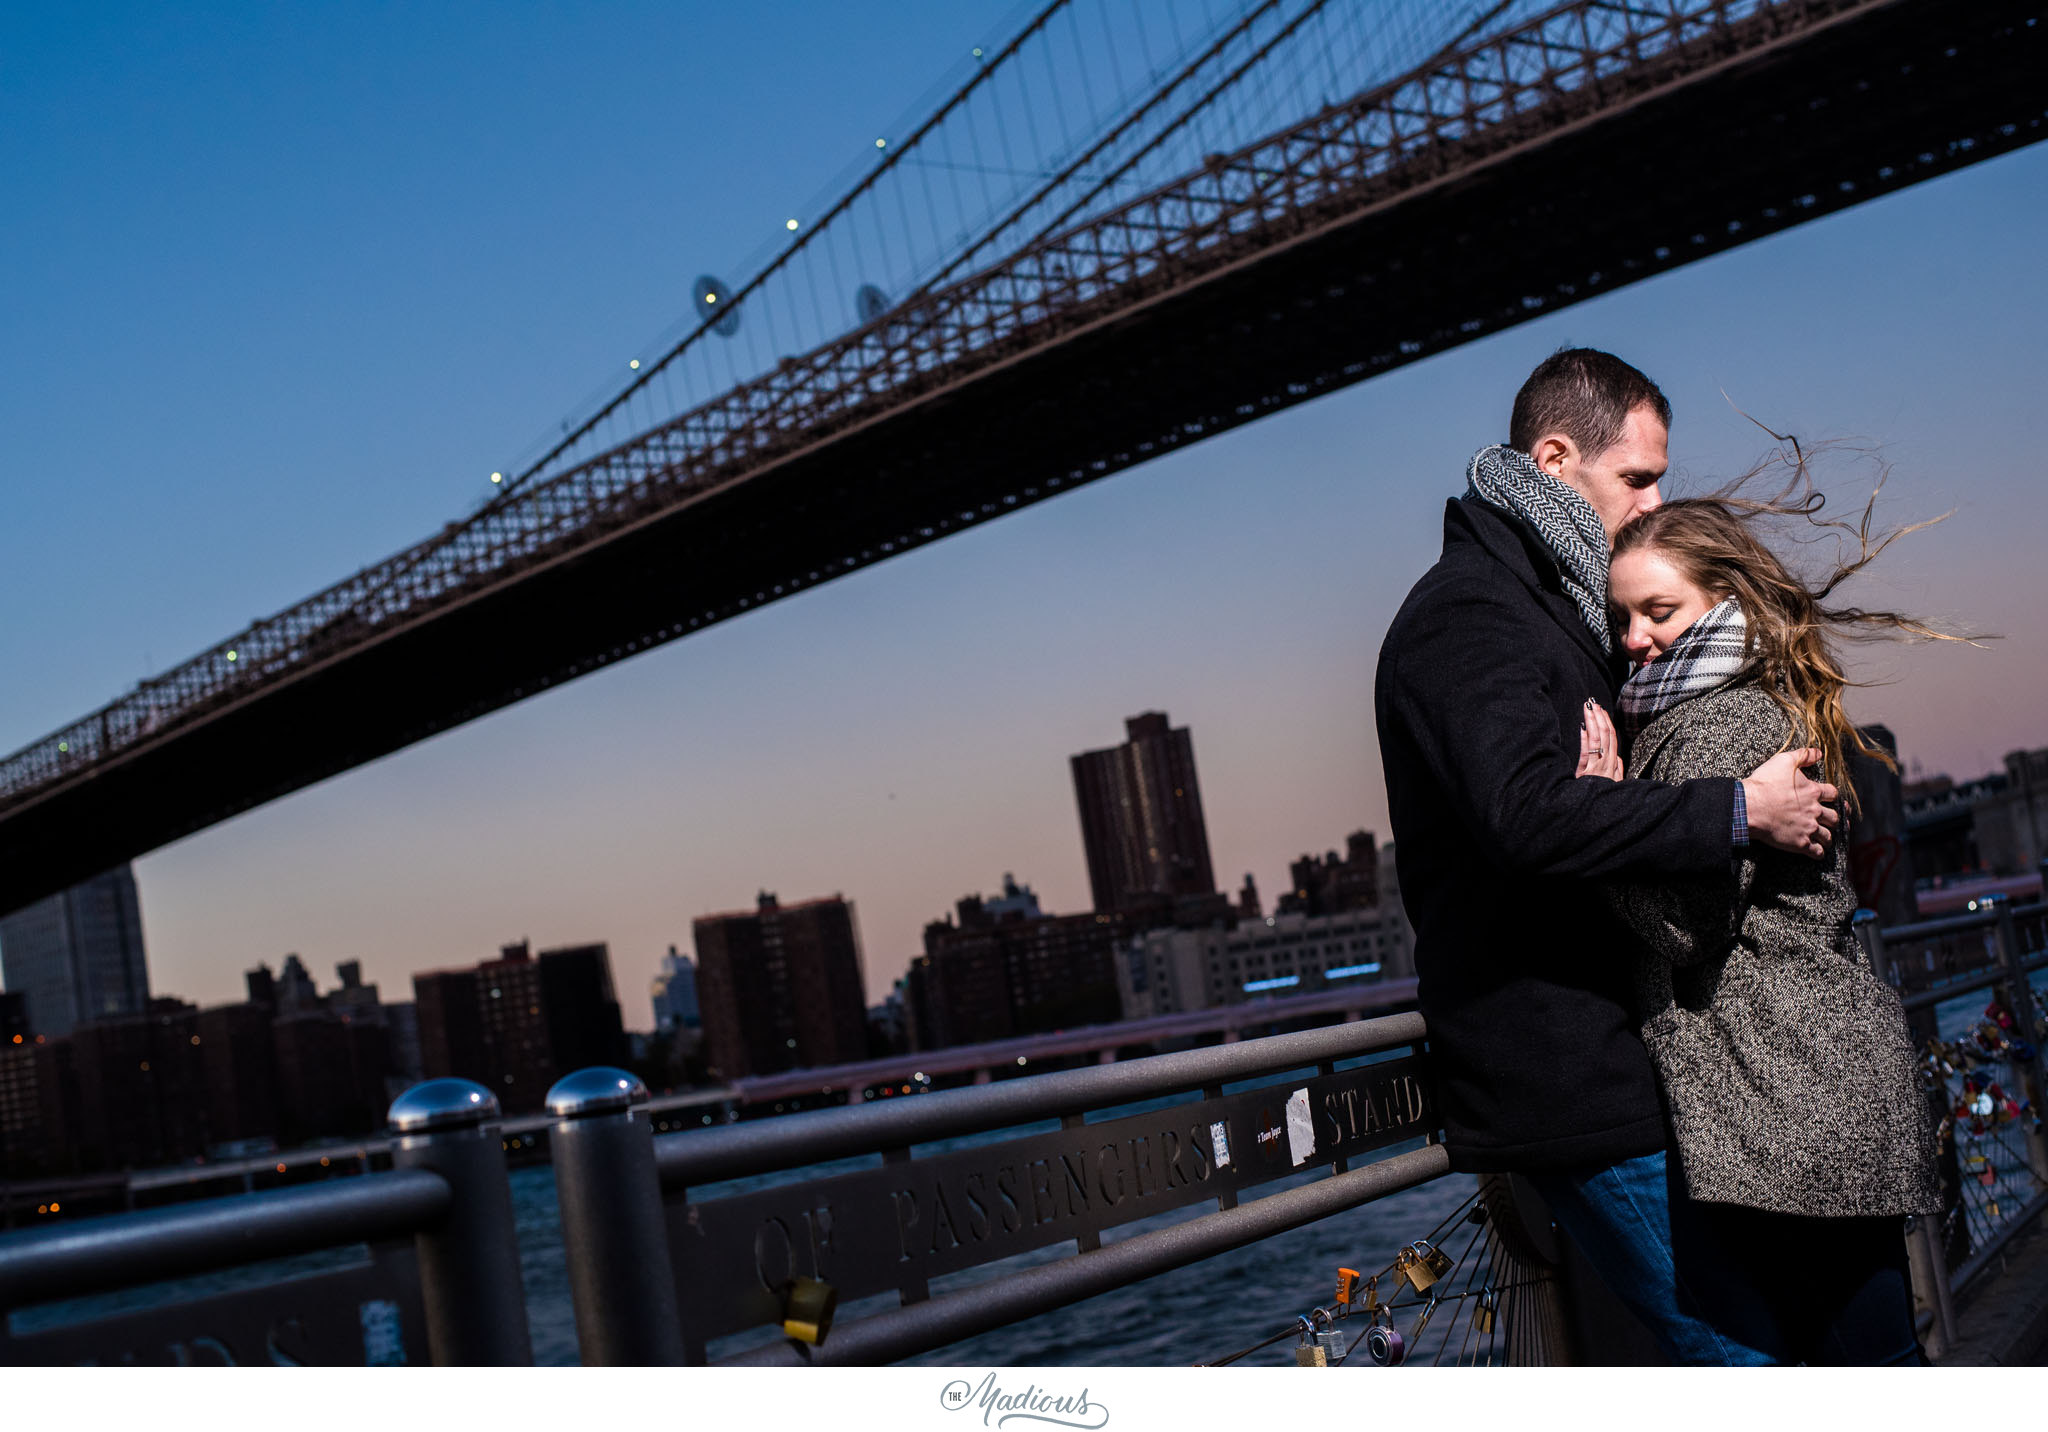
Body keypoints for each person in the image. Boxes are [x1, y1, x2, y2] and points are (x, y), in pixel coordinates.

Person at [1373, 348, 1840, 1364]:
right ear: (1551, 459)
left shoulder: (1566, 606)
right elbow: (1526, 815)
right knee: (1740, 1360)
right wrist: (1736, 809)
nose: (1654, 499)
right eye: (1635, 476)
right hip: (1568, 1074)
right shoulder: (1468, 616)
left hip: (1639, 1055)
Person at [1570, 484, 1946, 1364]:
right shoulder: (1742, 700)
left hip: (1786, 1094)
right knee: (1870, 1354)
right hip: (1810, 1084)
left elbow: (1685, 927)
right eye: (1622, 617)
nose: (1635, 640)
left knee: (1860, 1362)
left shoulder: (1715, 723)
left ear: (1723, 602)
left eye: (1659, 611)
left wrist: (1597, 815)